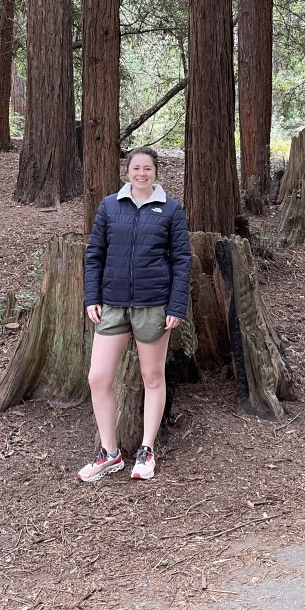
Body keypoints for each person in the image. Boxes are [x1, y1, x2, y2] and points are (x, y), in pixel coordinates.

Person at [78, 147, 192, 483]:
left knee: (152, 377)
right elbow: (95, 254)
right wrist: (92, 296)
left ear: (156, 173)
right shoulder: (109, 206)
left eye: (148, 168)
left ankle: (146, 450)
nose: (141, 173)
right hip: (112, 305)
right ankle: (109, 453)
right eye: (136, 168)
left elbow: (182, 260)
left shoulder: (170, 209)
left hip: (153, 306)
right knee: (98, 378)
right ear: (127, 171)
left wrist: (176, 306)